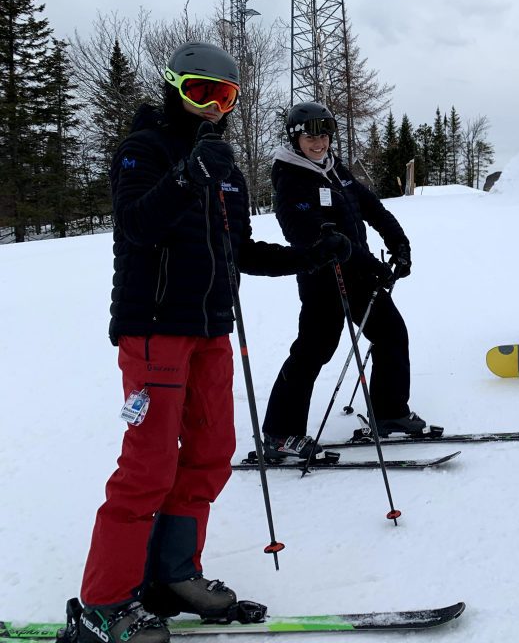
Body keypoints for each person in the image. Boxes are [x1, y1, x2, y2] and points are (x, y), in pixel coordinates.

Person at [72, 42, 351, 643]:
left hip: (210, 331)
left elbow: (240, 251)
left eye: (225, 97)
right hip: (155, 330)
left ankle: (171, 575)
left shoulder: (224, 167)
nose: (213, 107)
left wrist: (308, 256)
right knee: (148, 466)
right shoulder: (143, 150)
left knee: (210, 452)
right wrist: (188, 174)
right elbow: (136, 226)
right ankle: (102, 602)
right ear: (174, 87)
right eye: (201, 92)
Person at [261, 101, 425, 460]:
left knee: (391, 333)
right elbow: (309, 236)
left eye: (324, 135)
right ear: (295, 138)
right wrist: (371, 263)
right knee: (314, 351)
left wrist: (399, 244)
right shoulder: (290, 179)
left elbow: (374, 209)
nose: (319, 143)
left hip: (361, 275)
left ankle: (389, 411)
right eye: (310, 137)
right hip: (323, 279)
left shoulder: (337, 172)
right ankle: (279, 432)